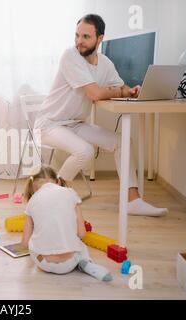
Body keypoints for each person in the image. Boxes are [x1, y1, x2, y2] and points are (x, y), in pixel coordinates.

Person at [34, 14, 167, 216]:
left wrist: (132, 91)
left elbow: (121, 86)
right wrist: (119, 92)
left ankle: (133, 201)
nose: (79, 41)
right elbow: (95, 94)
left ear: (99, 38)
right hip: (49, 124)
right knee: (85, 151)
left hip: (75, 124)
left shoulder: (105, 63)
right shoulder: (70, 56)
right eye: (77, 35)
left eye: (86, 36)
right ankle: (55, 194)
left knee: (122, 141)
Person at [21, 166, 112, 282]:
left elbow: (24, 242)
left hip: (42, 262)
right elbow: (82, 233)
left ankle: (45, 254)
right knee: (81, 246)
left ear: (32, 186)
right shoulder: (71, 194)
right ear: (58, 181)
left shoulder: (32, 201)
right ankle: (85, 263)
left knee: (33, 245)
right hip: (69, 263)